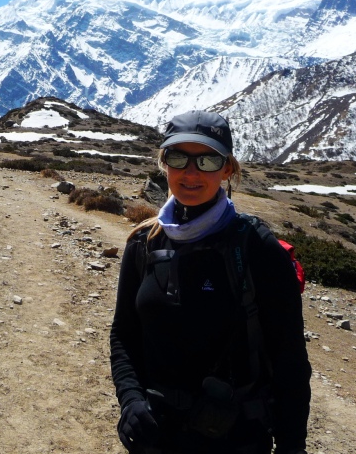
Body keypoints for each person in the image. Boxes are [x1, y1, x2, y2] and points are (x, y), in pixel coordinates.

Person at [110, 110, 311, 454]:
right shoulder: (143, 242)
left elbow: (290, 360)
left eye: (207, 161)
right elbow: (124, 335)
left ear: (228, 169)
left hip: (236, 439)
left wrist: (292, 446)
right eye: (178, 158)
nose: (190, 173)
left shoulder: (256, 248)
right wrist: (130, 400)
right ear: (164, 164)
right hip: (155, 435)